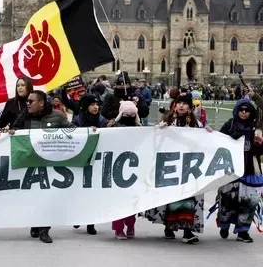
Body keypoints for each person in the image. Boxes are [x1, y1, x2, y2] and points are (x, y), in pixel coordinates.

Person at [143, 93, 212, 244]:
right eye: (179, 103)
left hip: (188, 167)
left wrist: (208, 134)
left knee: (188, 198)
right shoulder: (167, 120)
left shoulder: (196, 123)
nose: (181, 106)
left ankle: (187, 231)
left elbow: (202, 142)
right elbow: (154, 138)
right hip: (170, 166)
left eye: (184, 103)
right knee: (170, 197)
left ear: (189, 106)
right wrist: (159, 129)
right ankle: (169, 226)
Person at [11, 90, 75, 244]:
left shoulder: (58, 116)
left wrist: (89, 131)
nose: (28, 104)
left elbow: (72, 131)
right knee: (33, 196)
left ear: (41, 102)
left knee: (47, 196)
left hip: (50, 163)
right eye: (27, 101)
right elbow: (15, 133)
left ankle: (45, 230)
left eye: (31, 101)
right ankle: (35, 222)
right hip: (30, 163)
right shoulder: (25, 117)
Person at [209, 99, 263, 243]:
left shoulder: (256, 128)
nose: (244, 113)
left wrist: (254, 147)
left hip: (250, 169)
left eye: (247, 110)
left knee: (249, 201)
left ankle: (243, 231)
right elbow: (218, 142)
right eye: (241, 110)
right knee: (228, 199)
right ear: (237, 111)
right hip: (231, 168)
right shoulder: (229, 125)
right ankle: (224, 225)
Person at [71, 93, 108, 235]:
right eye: (92, 105)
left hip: (97, 159)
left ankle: (90, 223)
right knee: (79, 191)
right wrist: (85, 131)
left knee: (93, 192)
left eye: (97, 104)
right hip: (81, 159)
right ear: (86, 106)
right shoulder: (78, 119)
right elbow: (73, 133)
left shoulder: (101, 119)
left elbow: (111, 128)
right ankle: (77, 216)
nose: (96, 107)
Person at [110, 101, 141, 239]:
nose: (129, 115)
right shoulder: (113, 128)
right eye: (126, 113)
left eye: (131, 113)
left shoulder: (140, 129)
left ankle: (130, 225)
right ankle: (118, 229)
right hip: (116, 169)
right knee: (117, 201)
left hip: (134, 169)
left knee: (131, 201)